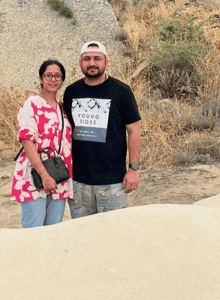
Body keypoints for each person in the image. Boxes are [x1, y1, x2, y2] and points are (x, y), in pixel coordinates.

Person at [63, 41, 141, 218]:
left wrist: (133, 170)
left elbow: (134, 131)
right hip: (78, 182)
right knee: (83, 235)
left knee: (115, 236)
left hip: (112, 182)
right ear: (80, 63)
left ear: (106, 62)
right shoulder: (71, 92)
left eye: (97, 58)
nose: (92, 63)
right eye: (87, 59)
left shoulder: (121, 91)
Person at [10, 60, 73, 227]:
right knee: (34, 232)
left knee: (53, 231)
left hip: (59, 175)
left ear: (62, 80)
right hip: (35, 174)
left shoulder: (63, 107)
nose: (53, 79)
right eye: (48, 75)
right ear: (41, 78)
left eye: (57, 76)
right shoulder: (32, 104)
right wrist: (45, 176)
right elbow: (26, 140)